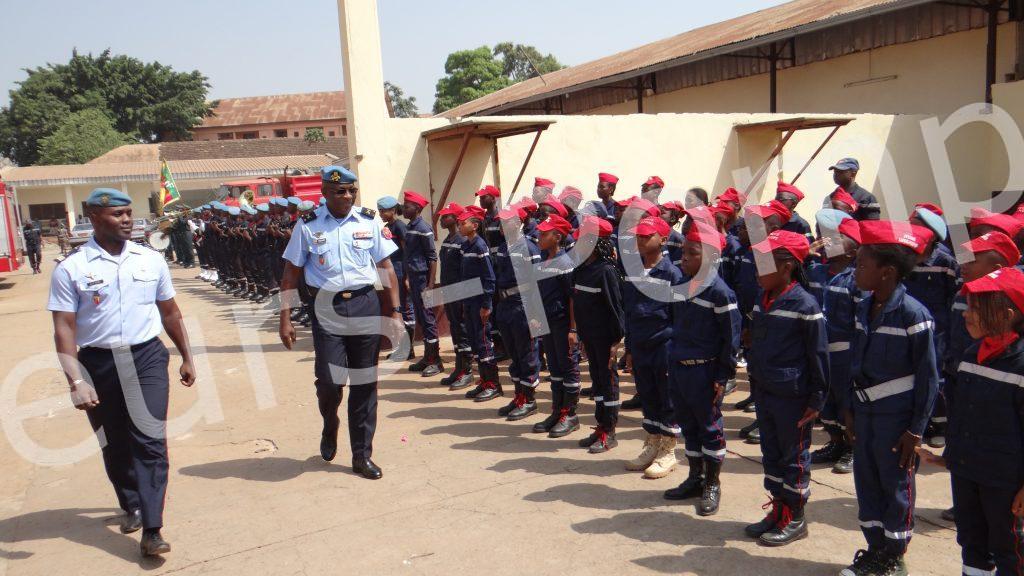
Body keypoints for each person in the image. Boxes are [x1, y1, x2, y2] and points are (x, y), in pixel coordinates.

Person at [48, 187, 196, 557]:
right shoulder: (72, 268)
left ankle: (152, 527)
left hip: (146, 357)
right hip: (98, 362)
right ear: (94, 217)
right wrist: (76, 381)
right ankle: (129, 501)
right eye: (117, 214)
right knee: (113, 441)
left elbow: (171, 313)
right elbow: (64, 328)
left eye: (129, 213)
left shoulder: (150, 260)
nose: (127, 220)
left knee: (149, 439)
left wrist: (186, 356)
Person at [279, 166, 401, 481]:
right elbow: (291, 274)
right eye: (339, 192)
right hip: (326, 307)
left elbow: (385, 266)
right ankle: (330, 422)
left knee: (365, 383)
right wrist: (285, 317)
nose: (347, 196)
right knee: (330, 382)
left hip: (364, 304)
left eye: (351, 191)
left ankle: (362, 456)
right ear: (324, 193)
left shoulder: (369, 220)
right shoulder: (307, 226)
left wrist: (396, 311)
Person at [841, 220, 939, 576]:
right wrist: (849, 409)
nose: (856, 270)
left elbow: (929, 377)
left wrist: (916, 430)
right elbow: (856, 361)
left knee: (895, 486)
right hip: (866, 415)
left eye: (863, 264)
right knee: (866, 482)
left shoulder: (914, 315)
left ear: (887, 272)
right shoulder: (864, 308)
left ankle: (894, 556)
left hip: (896, 420)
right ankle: (875, 548)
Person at [743, 229, 828, 547]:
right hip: (766, 390)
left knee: (793, 457)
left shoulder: (804, 305)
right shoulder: (762, 299)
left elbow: (818, 355)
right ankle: (778, 508)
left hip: (793, 397)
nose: (757, 270)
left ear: (787, 266)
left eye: (764, 262)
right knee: (772, 455)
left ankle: (795, 515)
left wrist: (817, 398)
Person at [941, 267, 1024, 576]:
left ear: (1006, 314)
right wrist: (949, 457)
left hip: (1005, 480)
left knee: (1010, 548)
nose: (967, 315)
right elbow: (961, 414)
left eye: (977, 308)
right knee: (972, 542)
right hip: (968, 471)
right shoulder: (971, 354)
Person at [663, 221, 741, 516]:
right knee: (689, 425)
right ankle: (694, 477)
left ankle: (712, 482)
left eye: (692, 254)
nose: (683, 259)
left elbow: (730, 338)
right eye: (683, 252)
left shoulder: (721, 293)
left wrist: (723, 375)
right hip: (680, 367)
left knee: (709, 427)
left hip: (705, 372)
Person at [622, 215, 684, 479]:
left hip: (664, 344)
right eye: (638, 236)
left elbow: (679, 316)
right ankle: (652, 443)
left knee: (666, 398)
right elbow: (630, 310)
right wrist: (630, 348)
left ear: (663, 239)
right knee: (647, 395)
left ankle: (668, 451)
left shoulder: (671, 273)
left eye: (647, 236)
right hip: (640, 342)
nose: (640, 240)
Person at [808, 214, 863, 475]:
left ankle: (852, 447)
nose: (830, 242)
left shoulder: (856, 281)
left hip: (845, 354)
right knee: (826, 402)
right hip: (818, 351)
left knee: (846, 403)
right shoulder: (816, 271)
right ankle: (835, 442)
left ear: (852, 253)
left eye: (839, 240)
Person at [572, 216, 625, 453]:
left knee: (608, 382)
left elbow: (616, 309)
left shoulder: (606, 271)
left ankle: (610, 431)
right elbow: (581, 306)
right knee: (597, 382)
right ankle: (600, 426)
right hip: (590, 337)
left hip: (605, 339)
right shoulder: (581, 270)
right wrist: (582, 336)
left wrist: (616, 342)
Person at [531, 213, 581, 436]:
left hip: (562, 324)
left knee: (568, 367)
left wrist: (573, 329)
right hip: (547, 322)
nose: (539, 237)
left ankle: (570, 415)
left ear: (558, 237)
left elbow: (573, 298)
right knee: (555, 368)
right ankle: (556, 411)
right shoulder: (544, 260)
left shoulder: (565, 263)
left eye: (544, 234)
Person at [457, 206, 499, 400]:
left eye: (462, 223)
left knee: (484, 343)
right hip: (470, 300)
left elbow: (489, 277)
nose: (460, 226)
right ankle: (483, 381)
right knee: (476, 343)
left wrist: (486, 304)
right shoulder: (467, 246)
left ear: (474, 226)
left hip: (480, 302)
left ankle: (493, 384)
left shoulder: (480, 246)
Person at [401, 191, 442, 376]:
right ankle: (427, 357)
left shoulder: (423, 228)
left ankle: (435, 360)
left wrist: (431, 284)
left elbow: (432, 258)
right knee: (421, 319)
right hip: (414, 278)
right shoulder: (411, 226)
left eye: (407, 206)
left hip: (422, 279)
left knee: (427, 319)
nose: (404, 208)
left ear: (417, 208)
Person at [436, 202, 473, 390]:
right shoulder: (448, 239)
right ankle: (459, 368)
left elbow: (466, 271)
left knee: (463, 330)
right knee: (455, 329)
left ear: (456, 219)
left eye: (446, 216)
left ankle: (467, 371)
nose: (442, 219)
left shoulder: (462, 241)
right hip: (449, 291)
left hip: (460, 293)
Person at [378, 196, 416, 360]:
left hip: (400, 272)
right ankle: (402, 348)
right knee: (399, 310)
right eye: (379, 210)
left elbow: (407, 251)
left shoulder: (400, 226)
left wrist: (407, 276)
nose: (380, 214)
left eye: (383, 211)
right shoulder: (388, 227)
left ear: (393, 211)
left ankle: (408, 349)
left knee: (405, 310)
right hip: (392, 272)